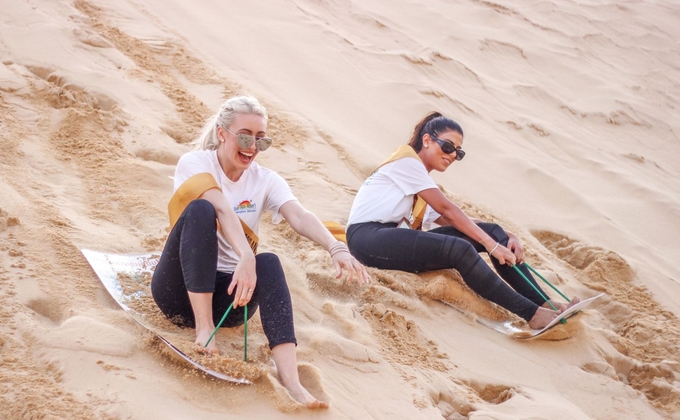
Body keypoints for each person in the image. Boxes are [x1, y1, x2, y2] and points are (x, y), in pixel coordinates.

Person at [150, 95, 370, 409]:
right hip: (176, 292)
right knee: (201, 209)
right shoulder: (195, 163)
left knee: (270, 262)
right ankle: (203, 329)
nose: (252, 147)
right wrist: (245, 256)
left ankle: (292, 381)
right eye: (244, 136)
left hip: (228, 302)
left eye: (260, 140)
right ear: (222, 133)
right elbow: (223, 210)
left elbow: (299, 216)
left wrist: (335, 246)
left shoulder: (265, 181)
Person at [345, 112, 579, 330]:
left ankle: (546, 305)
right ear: (426, 140)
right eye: (447, 146)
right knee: (461, 248)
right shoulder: (406, 163)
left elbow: (448, 217)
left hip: (393, 239)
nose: (452, 155)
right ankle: (533, 315)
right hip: (367, 239)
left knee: (493, 232)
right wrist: (491, 245)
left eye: (458, 152)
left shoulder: (418, 182)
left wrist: (505, 236)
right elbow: (446, 207)